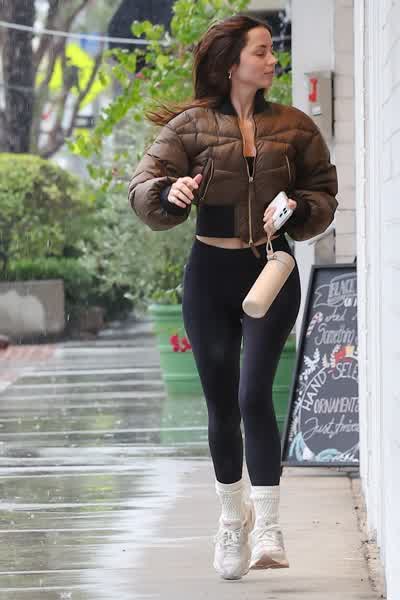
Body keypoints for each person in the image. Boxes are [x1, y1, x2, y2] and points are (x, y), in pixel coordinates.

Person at [129, 14, 338, 581]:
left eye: (272, 51)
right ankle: (231, 519)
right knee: (221, 401)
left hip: (269, 269)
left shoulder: (294, 126)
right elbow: (142, 188)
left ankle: (267, 524)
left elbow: (323, 193)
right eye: (262, 51)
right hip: (209, 275)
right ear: (231, 63)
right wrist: (169, 192)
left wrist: (297, 207)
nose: (272, 60)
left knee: (253, 395)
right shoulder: (190, 127)